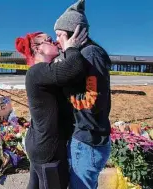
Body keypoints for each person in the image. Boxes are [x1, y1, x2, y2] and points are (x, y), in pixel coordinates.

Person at [15, 25, 88, 189]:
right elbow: (73, 69)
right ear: (37, 48)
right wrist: (71, 48)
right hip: (49, 150)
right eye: (49, 40)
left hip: (41, 145)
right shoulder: (36, 71)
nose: (55, 41)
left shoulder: (46, 71)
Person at [54, 0, 112, 188]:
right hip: (86, 140)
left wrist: (67, 88)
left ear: (76, 33)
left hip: (88, 143)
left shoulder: (90, 54)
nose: (57, 40)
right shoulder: (83, 55)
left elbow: (92, 102)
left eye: (60, 35)